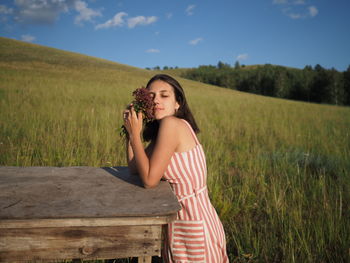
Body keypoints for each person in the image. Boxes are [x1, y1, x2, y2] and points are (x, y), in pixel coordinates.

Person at [123, 74, 229, 262]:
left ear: (178, 103)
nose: (156, 101)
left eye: (164, 96)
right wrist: (130, 131)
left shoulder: (172, 125)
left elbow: (149, 180)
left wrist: (135, 136)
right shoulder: (164, 130)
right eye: (151, 96)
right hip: (181, 220)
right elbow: (134, 168)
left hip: (192, 220)